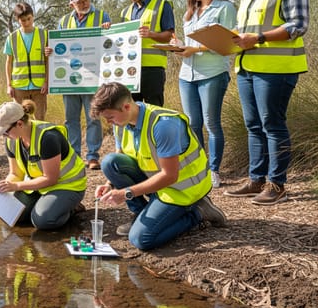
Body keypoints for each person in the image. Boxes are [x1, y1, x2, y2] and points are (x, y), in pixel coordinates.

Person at [225, 0, 310, 205]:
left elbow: (298, 25)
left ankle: (277, 184)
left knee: (272, 124)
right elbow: (247, 28)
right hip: (247, 66)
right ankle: (256, 180)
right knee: (253, 125)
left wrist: (258, 39)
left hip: (277, 68)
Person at [90, 82, 226, 250]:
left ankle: (198, 213)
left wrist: (127, 193)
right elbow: (121, 158)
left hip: (182, 189)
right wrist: (109, 184)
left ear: (126, 106)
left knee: (141, 239)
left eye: (110, 117)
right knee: (110, 162)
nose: (109, 123)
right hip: (158, 182)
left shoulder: (163, 125)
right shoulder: (122, 123)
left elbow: (170, 176)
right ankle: (141, 213)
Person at [175, 0, 237, 189]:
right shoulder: (189, 13)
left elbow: (228, 43)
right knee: (192, 125)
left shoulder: (225, 8)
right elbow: (189, 43)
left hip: (212, 73)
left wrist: (196, 49)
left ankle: (213, 170)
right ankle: (198, 168)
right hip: (187, 75)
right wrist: (179, 47)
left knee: (211, 123)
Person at [0, 100, 88, 230]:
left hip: (67, 184)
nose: (4, 136)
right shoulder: (11, 140)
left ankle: (71, 208)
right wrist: (2, 190)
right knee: (14, 216)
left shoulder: (48, 138)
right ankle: (48, 204)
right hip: (39, 185)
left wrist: (16, 186)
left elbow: (50, 179)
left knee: (43, 221)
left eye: (5, 132)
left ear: (19, 124)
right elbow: (15, 173)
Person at [58, 0, 112, 170]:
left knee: (93, 117)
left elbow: (111, 42)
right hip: (70, 79)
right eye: (80, 1)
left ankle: (92, 156)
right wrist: (51, 51)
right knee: (71, 119)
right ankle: (74, 156)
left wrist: (109, 30)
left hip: (93, 78)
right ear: (72, 4)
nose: (85, 3)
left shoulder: (102, 16)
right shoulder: (63, 21)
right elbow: (58, 47)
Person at [120, 0, 175, 106]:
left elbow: (169, 36)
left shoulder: (162, 5)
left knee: (154, 111)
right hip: (130, 70)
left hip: (153, 70)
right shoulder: (125, 12)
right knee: (132, 112)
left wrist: (151, 34)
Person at [4, 2, 49, 120]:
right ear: (18, 20)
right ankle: (21, 140)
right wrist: (9, 85)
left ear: (33, 16)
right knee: (20, 121)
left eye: (29, 19)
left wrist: (46, 81)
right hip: (19, 87)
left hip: (39, 87)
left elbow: (47, 60)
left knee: (39, 120)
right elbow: (8, 63)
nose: (27, 23)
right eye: (23, 20)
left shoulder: (44, 35)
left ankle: (37, 139)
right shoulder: (11, 38)